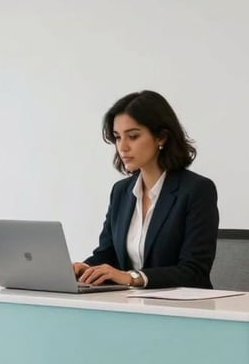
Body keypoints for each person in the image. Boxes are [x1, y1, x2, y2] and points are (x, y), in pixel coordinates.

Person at [74, 90, 218, 289]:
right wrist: (85, 268)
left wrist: (132, 277)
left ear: (162, 137)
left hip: (182, 310)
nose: (122, 147)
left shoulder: (197, 190)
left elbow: (194, 271)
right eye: (117, 137)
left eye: (133, 136)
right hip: (131, 306)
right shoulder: (121, 192)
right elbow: (107, 255)